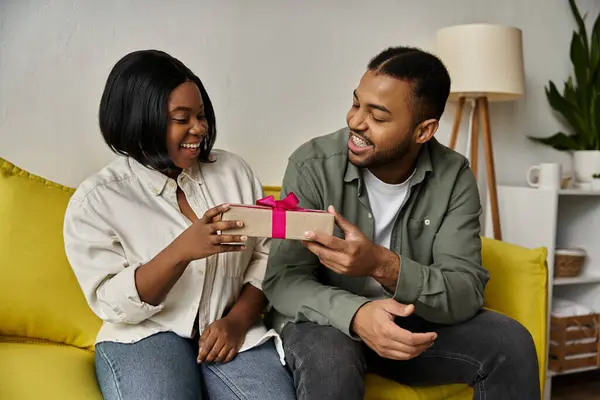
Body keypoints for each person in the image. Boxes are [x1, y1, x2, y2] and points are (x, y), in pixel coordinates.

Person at [262, 46, 540, 400]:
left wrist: (380, 264)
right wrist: (357, 313)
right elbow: (284, 279)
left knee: (510, 343)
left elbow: (465, 289)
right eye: (355, 104)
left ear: (423, 131)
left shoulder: (453, 175)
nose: (355, 122)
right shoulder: (313, 164)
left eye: (377, 117)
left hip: (411, 324)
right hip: (326, 323)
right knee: (331, 358)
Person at [64, 50, 296, 400]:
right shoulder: (96, 200)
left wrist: (237, 321)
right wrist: (180, 252)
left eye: (201, 115)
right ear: (139, 121)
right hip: (144, 335)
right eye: (181, 118)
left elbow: (266, 257)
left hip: (232, 327)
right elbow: (113, 303)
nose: (200, 128)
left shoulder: (234, 173)